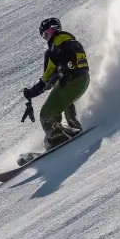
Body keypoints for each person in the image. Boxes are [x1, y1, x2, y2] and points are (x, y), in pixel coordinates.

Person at [23, 17, 90, 148]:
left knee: (46, 114)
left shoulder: (53, 50)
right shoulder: (72, 42)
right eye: (44, 35)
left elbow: (47, 81)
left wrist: (31, 93)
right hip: (84, 80)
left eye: (47, 33)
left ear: (55, 30)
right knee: (60, 102)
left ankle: (57, 138)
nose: (47, 37)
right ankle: (71, 126)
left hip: (70, 83)